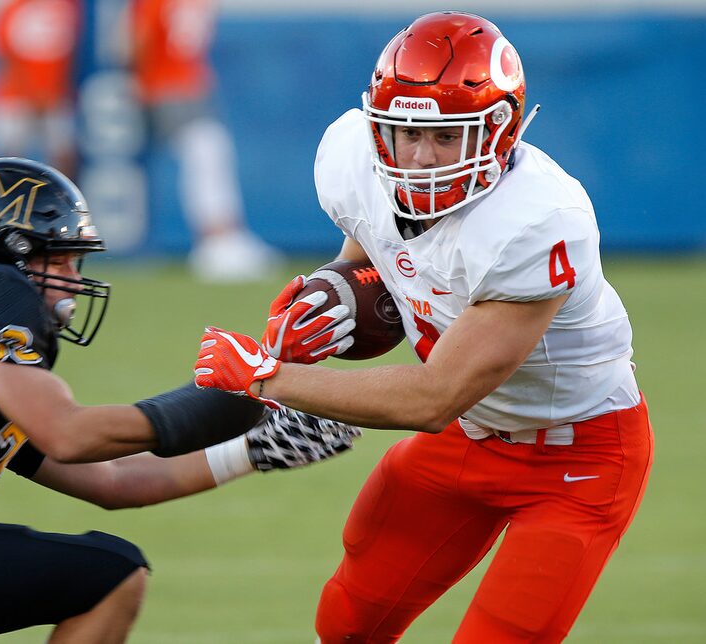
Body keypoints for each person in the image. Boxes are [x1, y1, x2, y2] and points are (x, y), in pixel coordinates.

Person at [193, 11, 654, 642]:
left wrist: (269, 377)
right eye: (405, 133)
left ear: (500, 132)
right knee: (347, 622)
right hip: (471, 436)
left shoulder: (539, 220)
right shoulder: (355, 157)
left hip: (576, 457)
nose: (420, 158)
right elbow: (374, 242)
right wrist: (332, 291)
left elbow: (435, 397)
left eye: (446, 138)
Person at [0, 157, 359, 642]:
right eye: (58, 259)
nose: (73, 279)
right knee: (109, 577)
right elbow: (69, 434)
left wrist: (253, 450)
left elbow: (113, 481)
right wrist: (241, 394)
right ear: (4, 256)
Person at [126, 0, 281, 282]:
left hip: (189, 82)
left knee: (211, 153)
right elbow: (139, 40)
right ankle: (214, 239)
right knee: (205, 152)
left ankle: (225, 235)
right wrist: (140, 80)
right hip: (169, 85)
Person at [0, 0, 81, 179]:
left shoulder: (69, 7)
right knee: (6, 161)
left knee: (64, 156)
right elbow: (1, 56)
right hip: (15, 97)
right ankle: (5, 204)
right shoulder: (15, 8)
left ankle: (58, 203)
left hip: (55, 97)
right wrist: (31, 95)